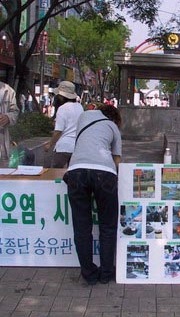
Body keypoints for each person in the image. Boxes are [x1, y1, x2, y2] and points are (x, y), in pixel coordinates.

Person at [62, 104, 122, 286]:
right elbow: (117, 159)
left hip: (76, 172)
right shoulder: (113, 128)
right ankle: (106, 273)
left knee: (81, 227)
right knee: (108, 226)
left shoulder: (84, 117)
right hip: (104, 173)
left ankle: (88, 273)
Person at [44, 81, 84, 168]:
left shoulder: (62, 109)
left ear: (62, 96)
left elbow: (58, 131)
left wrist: (49, 144)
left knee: (54, 173)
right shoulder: (79, 107)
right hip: (76, 147)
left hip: (63, 147)